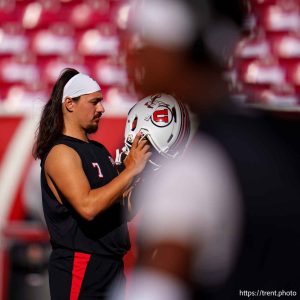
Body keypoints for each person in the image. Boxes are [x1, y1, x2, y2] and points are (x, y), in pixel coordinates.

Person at [113, 0, 300, 299]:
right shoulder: (278, 138)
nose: (130, 59)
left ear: (185, 52)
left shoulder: (193, 163)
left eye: (144, 45)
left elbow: (158, 288)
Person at [32, 68, 151, 300]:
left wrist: (143, 177)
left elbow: (121, 211)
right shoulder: (61, 152)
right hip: (80, 266)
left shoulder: (98, 150)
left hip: (111, 266)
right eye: (94, 102)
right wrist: (130, 171)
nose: (101, 109)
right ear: (69, 104)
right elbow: (88, 207)